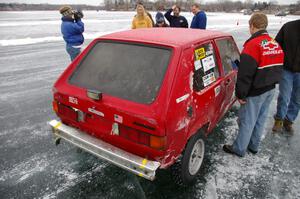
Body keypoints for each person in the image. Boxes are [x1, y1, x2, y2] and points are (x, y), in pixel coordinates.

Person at [223, 13, 284, 157]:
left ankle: (239, 149)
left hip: (256, 92)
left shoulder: (252, 45)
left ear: (252, 26)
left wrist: (240, 94)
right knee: (260, 119)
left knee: (247, 121)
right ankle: (253, 146)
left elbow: (245, 74)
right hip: (270, 89)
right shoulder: (274, 44)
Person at [272, 20, 300, 134]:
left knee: (297, 99)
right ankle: (279, 119)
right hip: (286, 69)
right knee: (284, 96)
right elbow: (276, 45)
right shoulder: (288, 27)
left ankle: (289, 120)